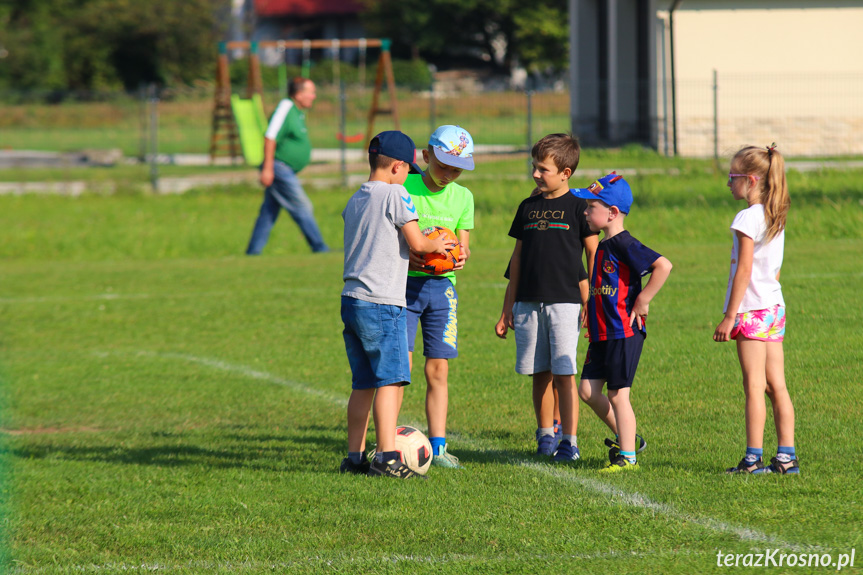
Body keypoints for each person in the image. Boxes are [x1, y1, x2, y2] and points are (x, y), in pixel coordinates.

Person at [339, 131, 452, 479]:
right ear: (398, 167)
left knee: (363, 384)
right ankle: (387, 456)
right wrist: (441, 243)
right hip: (383, 301)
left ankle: (354, 457)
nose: (408, 177)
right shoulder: (396, 193)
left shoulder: (356, 197)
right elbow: (417, 240)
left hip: (352, 299)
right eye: (408, 171)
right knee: (390, 381)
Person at [497, 133, 598, 462]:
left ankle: (569, 440)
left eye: (543, 169)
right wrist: (506, 308)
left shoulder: (579, 209)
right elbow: (517, 259)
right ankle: (545, 434)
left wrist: (592, 301)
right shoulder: (527, 206)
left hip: (566, 303)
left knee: (564, 372)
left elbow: (593, 258)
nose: (536, 174)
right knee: (539, 372)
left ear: (565, 173)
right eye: (534, 167)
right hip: (527, 303)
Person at [573, 173, 672, 472]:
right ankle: (627, 438)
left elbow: (663, 266)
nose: (586, 212)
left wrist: (643, 300)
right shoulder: (603, 245)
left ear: (612, 213)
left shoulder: (624, 243)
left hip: (623, 332)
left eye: (591, 207)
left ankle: (628, 457)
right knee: (588, 392)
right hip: (601, 333)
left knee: (618, 394)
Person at [714, 144, 798, 475]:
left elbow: (744, 270)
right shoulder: (775, 212)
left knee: (753, 384)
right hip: (774, 307)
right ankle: (786, 458)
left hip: (751, 311)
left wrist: (730, 315)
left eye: (732, 177)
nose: (728, 184)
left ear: (750, 180)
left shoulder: (747, 216)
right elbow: (773, 270)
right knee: (776, 383)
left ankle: (752, 459)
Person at [401, 125, 476, 469]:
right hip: (403, 287)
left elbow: (464, 245)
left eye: (456, 169)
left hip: (442, 292)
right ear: (426, 156)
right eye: (443, 165)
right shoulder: (405, 187)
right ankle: (389, 440)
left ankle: (439, 446)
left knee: (438, 371)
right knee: (402, 367)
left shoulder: (463, 197)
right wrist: (412, 251)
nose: (449, 174)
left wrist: (460, 256)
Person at [246, 77, 329, 255]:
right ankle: (320, 248)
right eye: (311, 92)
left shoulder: (298, 111)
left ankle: (252, 253)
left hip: (284, 169)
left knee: (269, 212)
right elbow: (270, 136)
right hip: (278, 168)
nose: (314, 96)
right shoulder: (285, 107)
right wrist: (267, 169)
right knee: (302, 206)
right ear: (299, 94)